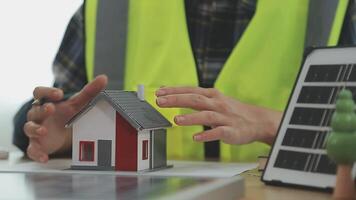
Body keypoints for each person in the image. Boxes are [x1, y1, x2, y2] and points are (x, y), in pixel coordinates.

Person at [13, 0, 356, 163]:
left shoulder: (337, 7)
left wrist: (274, 125)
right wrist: (54, 133)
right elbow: (58, 113)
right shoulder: (110, 7)